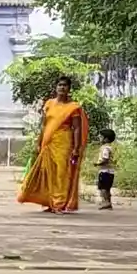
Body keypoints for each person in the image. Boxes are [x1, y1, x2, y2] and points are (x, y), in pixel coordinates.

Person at [17, 75, 89, 214]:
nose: (62, 87)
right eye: (59, 85)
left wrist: (76, 148)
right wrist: (39, 143)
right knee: (47, 173)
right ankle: (49, 202)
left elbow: (77, 128)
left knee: (61, 173)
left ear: (69, 89)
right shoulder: (49, 103)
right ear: (55, 88)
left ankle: (59, 204)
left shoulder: (73, 107)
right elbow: (44, 125)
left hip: (64, 143)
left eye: (65, 85)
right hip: (48, 142)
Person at [94, 128, 119, 210]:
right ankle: (108, 203)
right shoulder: (110, 147)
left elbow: (105, 158)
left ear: (106, 139)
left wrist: (98, 163)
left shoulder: (105, 148)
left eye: (101, 137)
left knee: (102, 188)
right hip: (110, 171)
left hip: (105, 171)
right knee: (107, 188)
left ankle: (106, 202)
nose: (99, 138)